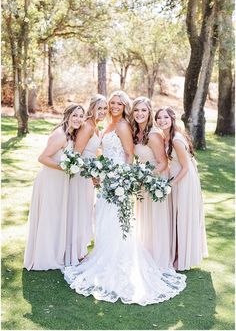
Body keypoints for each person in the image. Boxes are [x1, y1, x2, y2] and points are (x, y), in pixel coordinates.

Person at [62, 91, 186, 306]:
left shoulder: (122, 126)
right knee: (103, 218)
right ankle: (104, 256)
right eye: (113, 103)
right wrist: (99, 170)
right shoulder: (110, 124)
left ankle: (117, 263)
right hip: (107, 178)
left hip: (118, 182)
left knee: (115, 222)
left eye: (120, 103)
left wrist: (124, 181)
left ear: (124, 106)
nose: (115, 106)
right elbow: (108, 151)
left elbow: (129, 154)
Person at [24, 104, 85, 270]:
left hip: (59, 181)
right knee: (49, 218)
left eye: (81, 116)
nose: (78, 119)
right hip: (50, 181)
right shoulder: (60, 135)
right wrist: (65, 167)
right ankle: (44, 257)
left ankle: (55, 253)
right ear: (67, 116)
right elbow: (42, 158)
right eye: (75, 115)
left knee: (56, 218)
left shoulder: (71, 134)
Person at [155, 106, 208, 271]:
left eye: (165, 117)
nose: (162, 120)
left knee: (183, 217)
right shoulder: (166, 137)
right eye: (159, 118)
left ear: (172, 119)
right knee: (179, 217)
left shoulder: (176, 139)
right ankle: (178, 253)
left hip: (184, 180)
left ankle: (182, 259)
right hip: (178, 178)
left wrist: (170, 183)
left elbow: (185, 167)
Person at [65, 94, 108, 266]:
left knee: (85, 211)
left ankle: (79, 249)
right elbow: (77, 154)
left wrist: (97, 171)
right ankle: (75, 252)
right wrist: (91, 173)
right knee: (80, 212)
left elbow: (92, 153)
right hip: (81, 176)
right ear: (92, 108)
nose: (103, 111)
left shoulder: (96, 126)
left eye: (105, 108)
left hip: (88, 176)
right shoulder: (87, 126)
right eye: (100, 108)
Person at [131, 97, 171, 269]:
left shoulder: (153, 135)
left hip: (155, 181)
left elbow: (163, 163)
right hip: (143, 181)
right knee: (144, 220)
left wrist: (145, 175)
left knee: (155, 219)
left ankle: (158, 258)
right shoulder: (135, 133)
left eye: (144, 110)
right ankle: (146, 253)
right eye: (137, 110)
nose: (140, 114)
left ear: (149, 113)